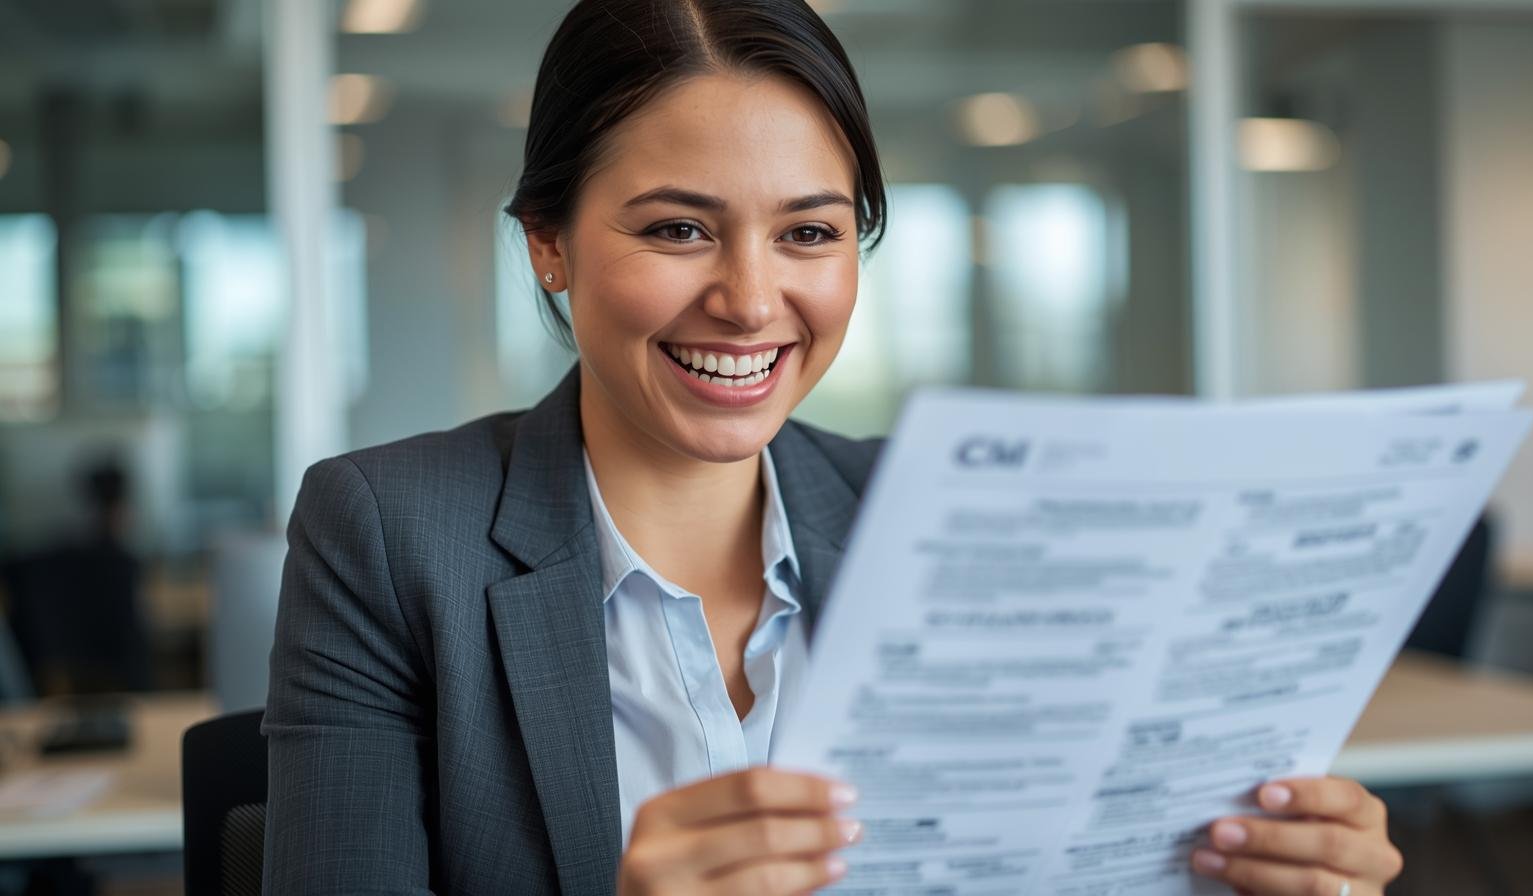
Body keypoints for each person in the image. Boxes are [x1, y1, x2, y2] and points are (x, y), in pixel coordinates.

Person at [262, 1, 1404, 893]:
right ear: (548, 243)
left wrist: (1258, 866)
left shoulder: (941, 517)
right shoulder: (388, 529)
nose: (752, 300)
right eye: (677, 228)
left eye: (808, 231)